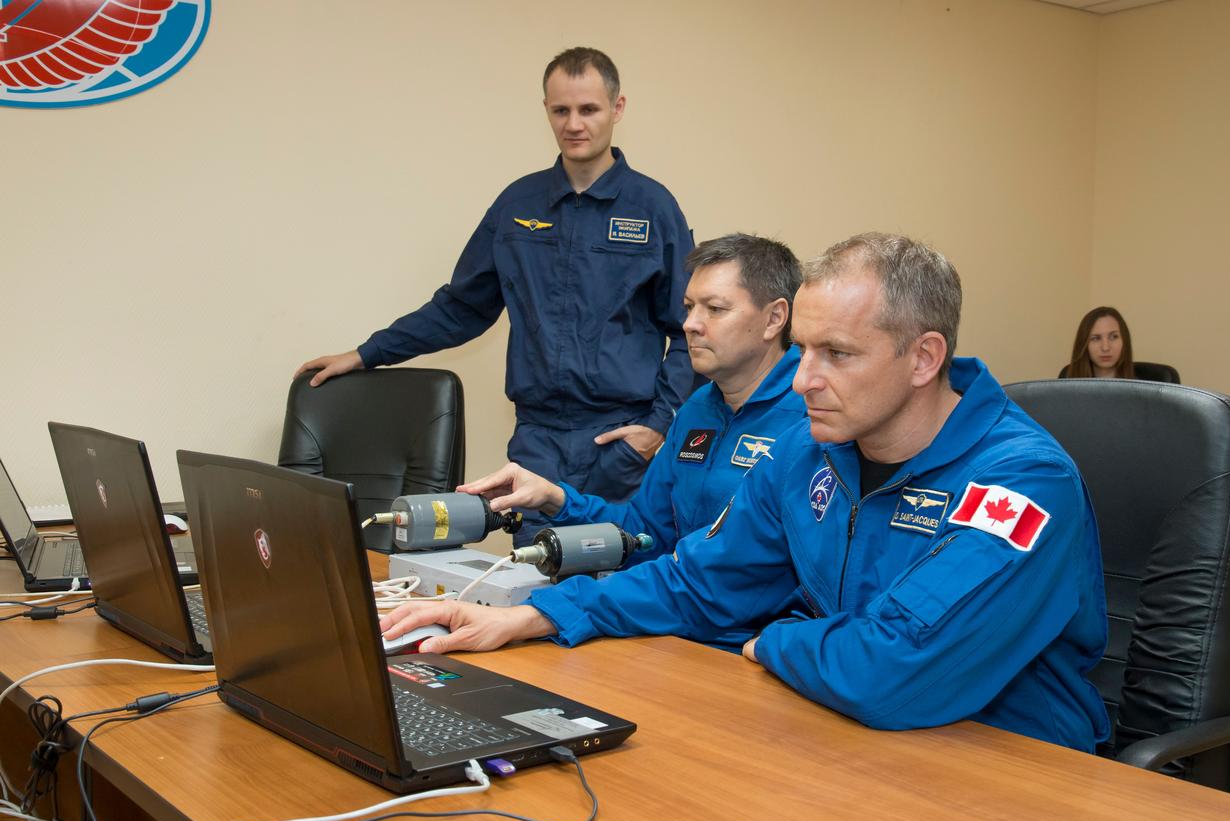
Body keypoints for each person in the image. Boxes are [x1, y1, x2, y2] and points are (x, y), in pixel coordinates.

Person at [382, 232, 1111, 752]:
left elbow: (893, 670)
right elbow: (697, 582)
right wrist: (531, 615)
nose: (801, 380)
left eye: (838, 355)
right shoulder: (812, 449)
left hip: (1007, 762)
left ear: (924, 358)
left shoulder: (1021, 483)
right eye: (804, 349)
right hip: (850, 734)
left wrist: (773, 642)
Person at [295, 48, 697, 544]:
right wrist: (366, 354)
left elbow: (690, 330)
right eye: (560, 110)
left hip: (619, 442)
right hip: (538, 440)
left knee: (621, 587)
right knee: (534, 584)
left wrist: (658, 426)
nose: (574, 124)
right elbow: (461, 308)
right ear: (546, 110)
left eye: (589, 109)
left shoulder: (654, 208)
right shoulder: (518, 205)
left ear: (617, 108)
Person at [458, 233, 806, 574]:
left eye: (714, 309)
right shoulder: (697, 409)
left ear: (774, 319)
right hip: (687, 612)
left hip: (754, 627)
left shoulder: (813, 413)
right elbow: (645, 532)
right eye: (688, 308)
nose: (690, 324)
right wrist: (554, 498)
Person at [1065, 306, 1135, 378]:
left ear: (1125, 340)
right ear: (1083, 344)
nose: (1105, 348)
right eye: (1095, 338)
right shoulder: (1065, 381)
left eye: (1113, 337)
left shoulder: (1143, 384)